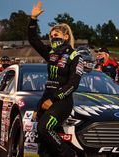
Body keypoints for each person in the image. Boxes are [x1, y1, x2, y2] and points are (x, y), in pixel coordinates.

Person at [28, 1, 83, 157]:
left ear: (66, 36)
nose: (53, 38)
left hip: (62, 102)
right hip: (46, 98)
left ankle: (69, 154)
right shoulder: (51, 54)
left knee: (44, 128)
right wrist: (33, 19)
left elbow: (73, 84)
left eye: (56, 35)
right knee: (43, 141)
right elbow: (33, 41)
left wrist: (53, 100)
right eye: (51, 36)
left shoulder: (75, 56)